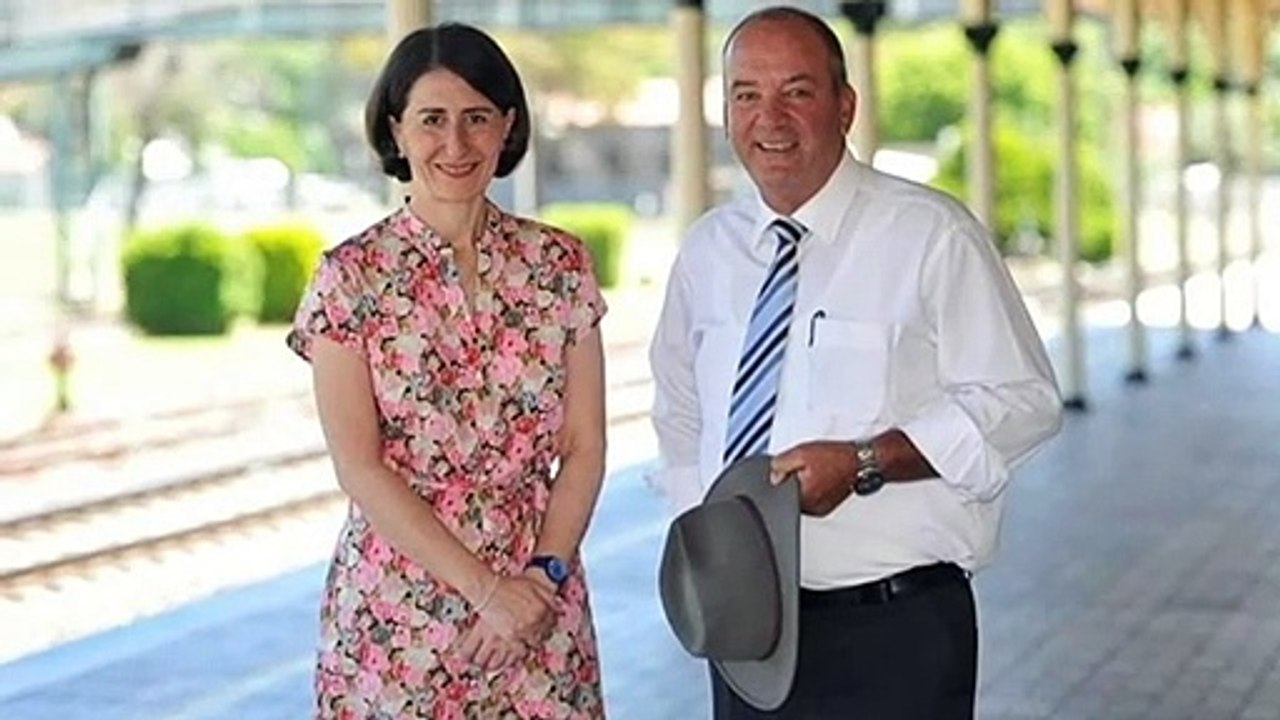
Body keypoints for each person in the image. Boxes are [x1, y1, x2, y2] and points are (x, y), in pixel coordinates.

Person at [648, 6, 1063, 718]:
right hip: (749, 636)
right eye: (747, 94)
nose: (769, 117)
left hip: (893, 634)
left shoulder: (931, 234)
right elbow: (680, 412)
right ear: (725, 113)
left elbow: (1024, 400)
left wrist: (866, 460)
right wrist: (714, 554)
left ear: (845, 106)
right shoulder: (707, 252)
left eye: (797, 91)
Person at [288, 23, 608, 719]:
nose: (456, 144)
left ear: (508, 127)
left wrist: (540, 579)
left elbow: (585, 446)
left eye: (476, 119)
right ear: (397, 132)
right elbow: (360, 467)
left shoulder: (560, 266)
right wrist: (488, 593)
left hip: (540, 606)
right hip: (397, 614)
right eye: (432, 120)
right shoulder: (350, 278)